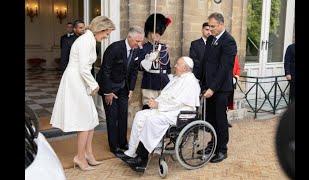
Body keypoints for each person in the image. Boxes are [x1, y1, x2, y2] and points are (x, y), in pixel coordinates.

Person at [50, 16, 115, 171]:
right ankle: (79, 157)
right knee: (85, 121)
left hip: (79, 80)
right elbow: (83, 69)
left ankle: (88, 154)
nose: (107, 36)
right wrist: (94, 85)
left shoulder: (89, 39)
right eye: (107, 33)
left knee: (91, 119)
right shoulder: (86, 41)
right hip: (76, 81)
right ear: (100, 29)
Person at [119, 56, 200, 172]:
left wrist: (159, 105)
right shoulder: (178, 78)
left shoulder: (190, 82)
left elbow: (179, 102)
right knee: (140, 115)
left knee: (152, 121)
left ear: (185, 68)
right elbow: (167, 96)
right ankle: (131, 152)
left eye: (178, 64)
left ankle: (142, 159)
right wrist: (156, 102)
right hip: (169, 110)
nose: (175, 66)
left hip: (180, 114)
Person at [96, 26, 144, 157]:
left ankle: (123, 142)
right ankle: (114, 146)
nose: (139, 45)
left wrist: (131, 89)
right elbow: (105, 71)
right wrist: (107, 91)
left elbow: (134, 71)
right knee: (112, 117)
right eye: (137, 41)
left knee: (123, 116)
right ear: (129, 37)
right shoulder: (115, 48)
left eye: (141, 42)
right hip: (109, 87)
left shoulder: (136, 50)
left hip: (124, 88)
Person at [199, 12, 237, 163]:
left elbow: (224, 68)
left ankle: (222, 149)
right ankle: (213, 144)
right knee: (210, 119)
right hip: (208, 87)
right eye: (209, 26)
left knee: (220, 119)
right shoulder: (210, 40)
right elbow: (205, 63)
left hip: (221, 89)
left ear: (221, 25)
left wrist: (212, 88)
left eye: (213, 26)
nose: (210, 29)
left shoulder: (229, 42)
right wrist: (200, 82)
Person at [139, 13, 172, 110]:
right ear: (149, 32)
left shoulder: (163, 47)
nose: (158, 35)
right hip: (150, 84)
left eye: (159, 33)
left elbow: (168, 68)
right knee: (149, 109)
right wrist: (149, 59)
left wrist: (170, 82)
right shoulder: (143, 48)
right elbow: (139, 67)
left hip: (164, 84)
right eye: (155, 32)